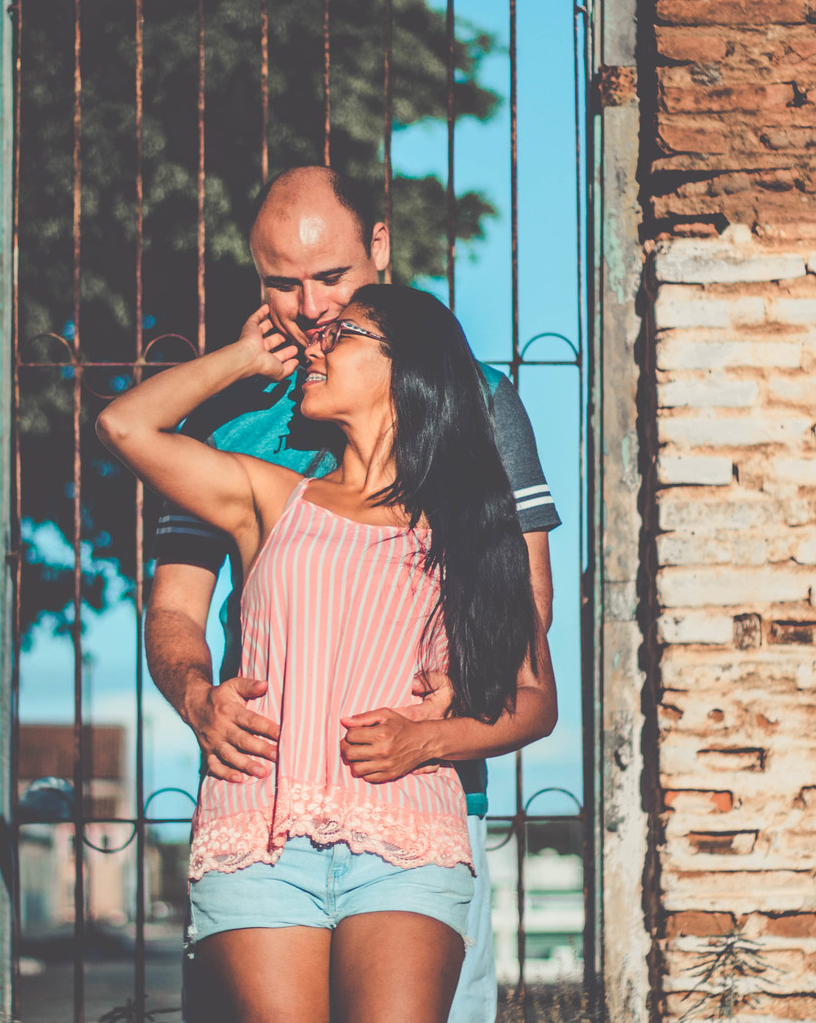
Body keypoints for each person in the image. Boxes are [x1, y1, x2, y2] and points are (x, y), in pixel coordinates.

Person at [146, 166, 560, 1023]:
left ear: (379, 249)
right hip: (263, 804)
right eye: (282, 284)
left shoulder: (476, 401)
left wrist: (451, 703)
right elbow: (176, 611)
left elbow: (521, 602)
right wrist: (197, 700)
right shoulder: (226, 422)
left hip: (422, 807)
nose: (310, 310)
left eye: (331, 278)